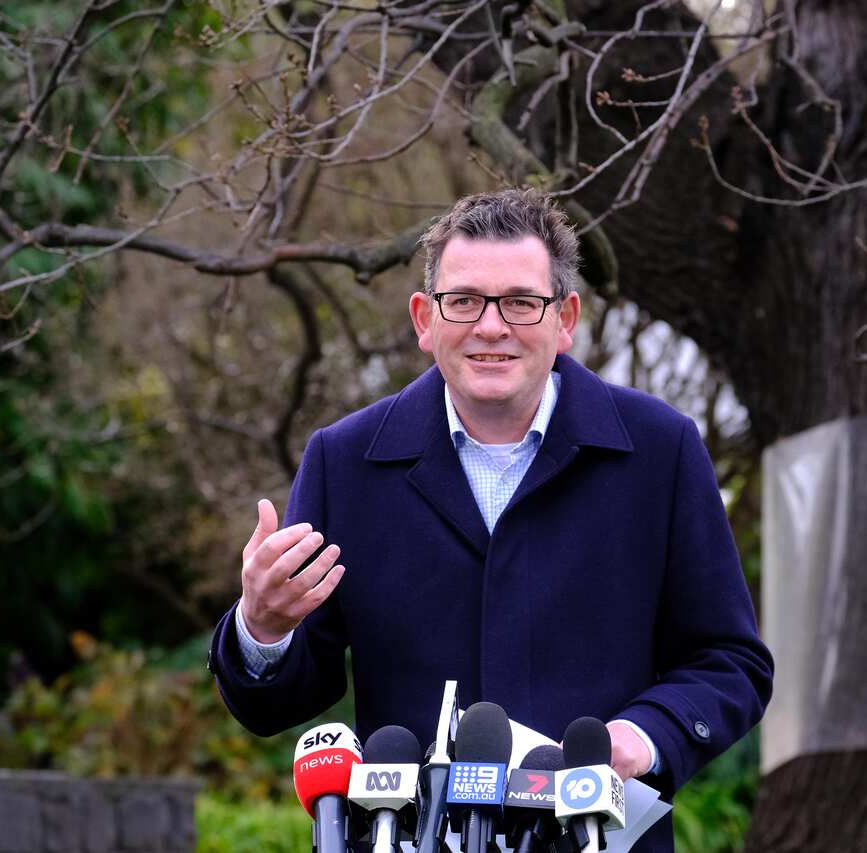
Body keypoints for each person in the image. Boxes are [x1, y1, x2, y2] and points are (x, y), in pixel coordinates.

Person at [208, 188, 773, 851]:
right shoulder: (345, 461)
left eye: (519, 302)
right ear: (425, 318)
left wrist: (638, 739)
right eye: (465, 300)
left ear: (565, 318)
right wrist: (263, 629)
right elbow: (278, 702)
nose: (491, 326)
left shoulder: (661, 450)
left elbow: (729, 661)